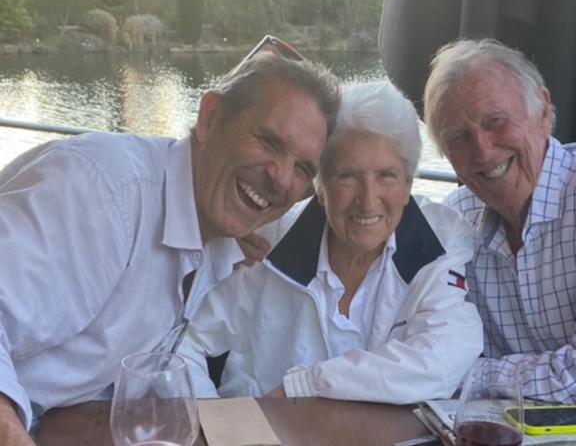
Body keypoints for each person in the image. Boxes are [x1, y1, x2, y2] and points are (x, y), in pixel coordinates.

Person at [0, 40, 340, 445]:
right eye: (268, 141)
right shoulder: (105, 194)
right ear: (210, 117)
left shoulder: (213, 228)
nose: (282, 179)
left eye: (303, 169)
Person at [180, 81, 483, 403]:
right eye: (347, 176)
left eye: (386, 176)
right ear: (320, 187)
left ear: (408, 184)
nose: (368, 201)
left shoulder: (439, 241)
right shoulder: (264, 244)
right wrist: (213, 425)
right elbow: (183, 342)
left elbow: (443, 359)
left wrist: (310, 383)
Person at [423, 38, 576, 425]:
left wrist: (464, 373)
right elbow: (422, 339)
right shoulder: (454, 219)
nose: (482, 151)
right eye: (458, 138)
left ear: (543, 111)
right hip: (508, 428)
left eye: (495, 121)